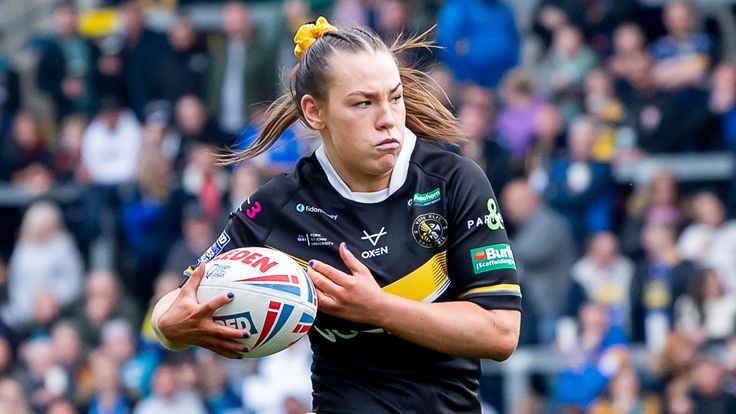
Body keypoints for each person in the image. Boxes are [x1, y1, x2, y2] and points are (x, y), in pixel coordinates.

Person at [152, 17, 521, 412]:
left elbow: (500, 332)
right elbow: (179, 299)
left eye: (394, 98)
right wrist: (169, 328)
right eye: (363, 103)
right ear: (314, 112)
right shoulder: (279, 204)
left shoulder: (454, 181)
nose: (388, 119)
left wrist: (377, 308)